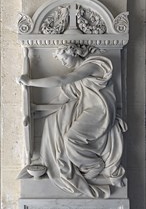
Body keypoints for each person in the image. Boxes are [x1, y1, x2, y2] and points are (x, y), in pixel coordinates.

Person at [19, 44, 127, 198]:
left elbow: (62, 79)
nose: (63, 64)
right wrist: (38, 112)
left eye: (64, 59)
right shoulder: (78, 77)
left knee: (70, 139)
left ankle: (94, 164)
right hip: (88, 111)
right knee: (60, 126)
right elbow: (62, 99)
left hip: (100, 112)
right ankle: (88, 164)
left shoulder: (93, 65)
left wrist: (30, 82)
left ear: (75, 52)